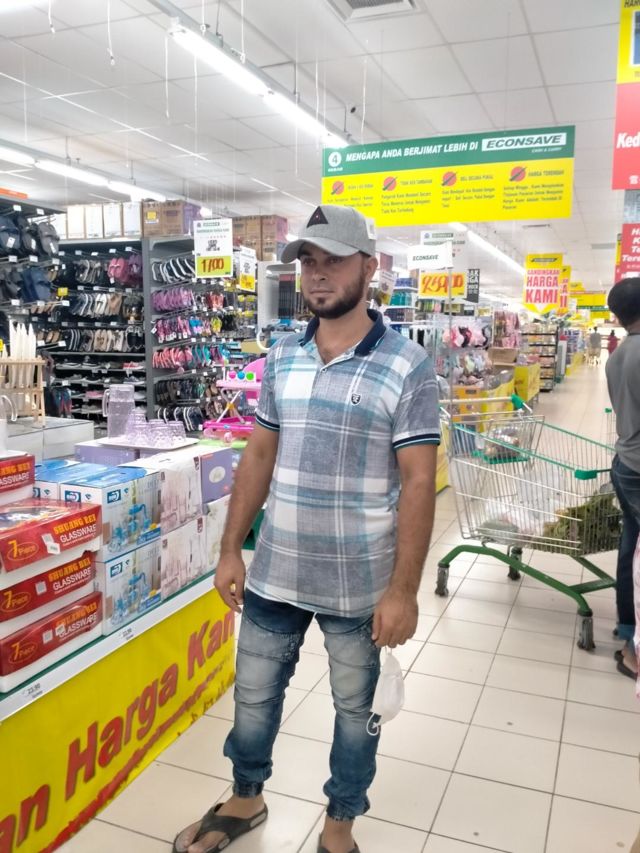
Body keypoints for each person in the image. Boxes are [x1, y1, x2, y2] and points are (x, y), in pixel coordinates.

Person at [173, 204, 440, 853]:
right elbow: (259, 454)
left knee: (356, 710)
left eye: (333, 261)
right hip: (276, 570)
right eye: (308, 262)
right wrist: (230, 549)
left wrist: (404, 590)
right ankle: (245, 797)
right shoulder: (283, 357)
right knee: (254, 696)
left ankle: (339, 824)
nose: (317, 275)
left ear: (368, 268)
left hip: (360, 585)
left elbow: (417, 482)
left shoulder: (407, 365)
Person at [606, 278, 640, 680]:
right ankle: (633, 648)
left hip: (627, 462)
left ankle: (629, 633)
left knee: (631, 550)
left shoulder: (617, 357)